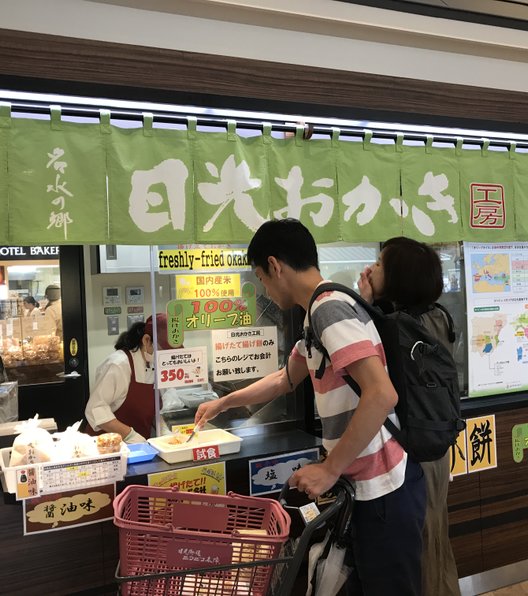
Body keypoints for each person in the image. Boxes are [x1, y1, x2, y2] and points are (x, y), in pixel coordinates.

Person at [195, 219, 426, 596]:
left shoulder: (328, 308)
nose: (265, 290)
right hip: (366, 489)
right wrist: (224, 402)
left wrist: (329, 470)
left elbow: (381, 394)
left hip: (385, 488)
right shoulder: (315, 314)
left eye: (261, 277)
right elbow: (285, 379)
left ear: (275, 266)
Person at [358, 236, 461, 596]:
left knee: (419, 544)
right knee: (434, 535)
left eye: (381, 265)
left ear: (399, 277)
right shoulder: (436, 317)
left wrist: (365, 303)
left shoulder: (396, 325)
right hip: (435, 445)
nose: (372, 269)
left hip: (411, 453)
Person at [84, 314, 171, 444]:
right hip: (107, 447)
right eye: (162, 349)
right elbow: (96, 409)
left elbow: (151, 411)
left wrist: (164, 432)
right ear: (146, 340)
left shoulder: (155, 364)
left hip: (140, 448)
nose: (166, 355)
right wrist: (130, 436)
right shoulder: (118, 364)